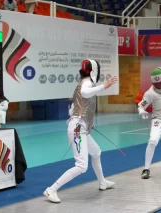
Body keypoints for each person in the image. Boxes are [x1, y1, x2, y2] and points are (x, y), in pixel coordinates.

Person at [44, 59, 118, 203]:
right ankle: (51, 190)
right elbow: (85, 93)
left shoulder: (83, 82)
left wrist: (88, 122)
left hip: (80, 127)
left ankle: (102, 182)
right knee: (81, 166)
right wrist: (104, 86)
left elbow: (74, 109)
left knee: (96, 152)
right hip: (77, 129)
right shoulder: (87, 84)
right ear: (94, 71)